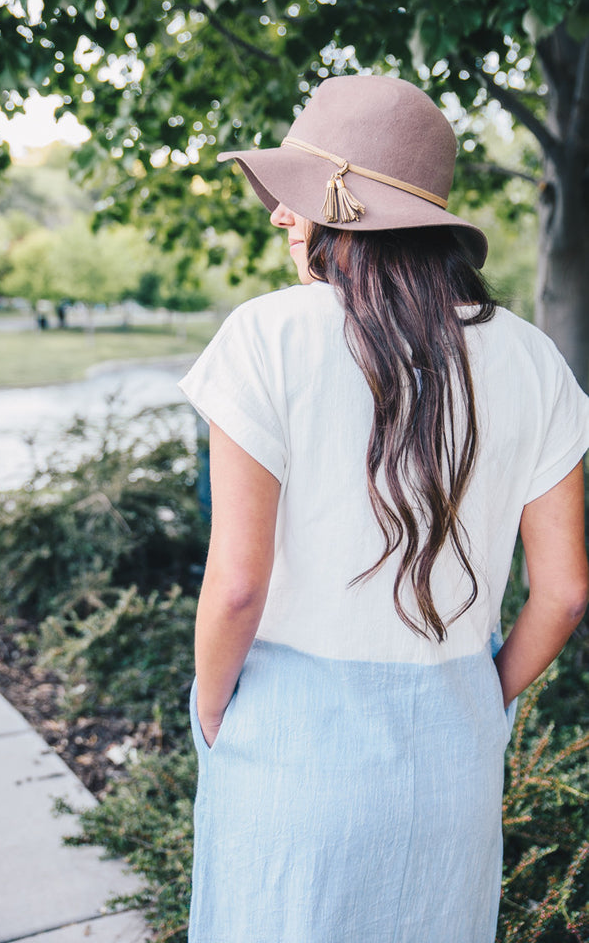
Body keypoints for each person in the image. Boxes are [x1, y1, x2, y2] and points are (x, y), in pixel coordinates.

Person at [178, 75, 589, 943]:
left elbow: (239, 585)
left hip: (289, 755)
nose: (283, 218)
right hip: (454, 765)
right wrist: (484, 698)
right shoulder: (536, 360)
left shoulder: (266, 338)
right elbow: (564, 594)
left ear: (341, 207)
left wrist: (212, 713)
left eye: (297, 197)